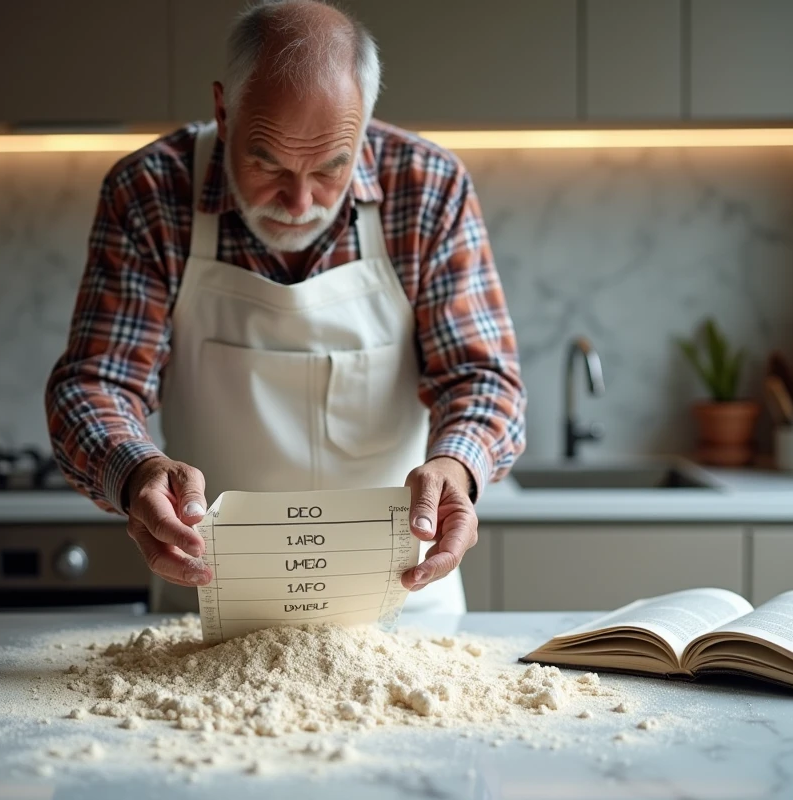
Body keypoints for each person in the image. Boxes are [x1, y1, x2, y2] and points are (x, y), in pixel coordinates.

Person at [45, 0, 525, 613]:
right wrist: (138, 473)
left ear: (366, 122)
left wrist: (457, 468)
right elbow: (96, 383)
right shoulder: (150, 193)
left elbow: (482, 379)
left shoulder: (429, 188)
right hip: (209, 600)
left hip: (403, 606)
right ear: (224, 109)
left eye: (330, 167)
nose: (300, 202)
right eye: (266, 161)